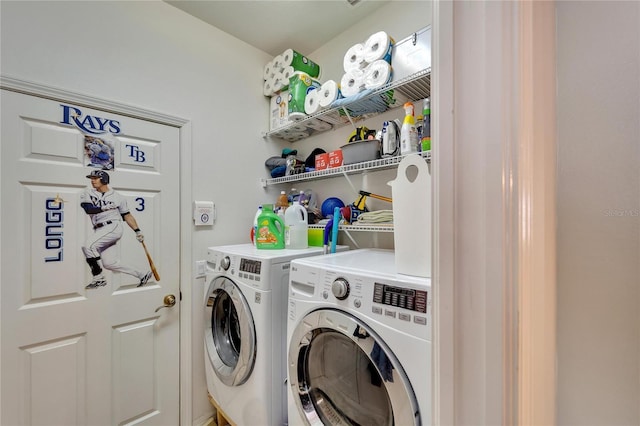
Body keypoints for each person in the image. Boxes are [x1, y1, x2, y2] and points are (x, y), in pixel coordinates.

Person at [80, 170, 152, 289]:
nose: (92, 180)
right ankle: (142, 274)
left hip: (113, 226)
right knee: (109, 263)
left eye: (95, 178)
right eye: (91, 178)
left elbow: (127, 215)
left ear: (104, 180)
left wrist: (137, 231)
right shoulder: (88, 193)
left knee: (88, 246)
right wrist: (104, 208)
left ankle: (99, 278)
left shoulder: (118, 197)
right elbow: (88, 209)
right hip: (99, 229)